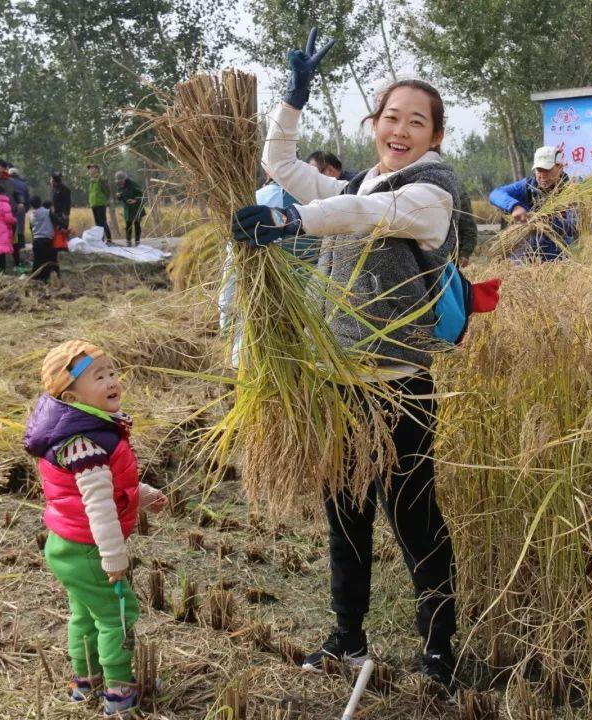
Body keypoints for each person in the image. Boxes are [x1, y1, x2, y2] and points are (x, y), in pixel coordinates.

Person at [231, 29, 459, 691]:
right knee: (346, 515)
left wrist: (292, 224)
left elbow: (362, 211)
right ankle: (347, 636)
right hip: (339, 386)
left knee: (416, 520)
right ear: (374, 124)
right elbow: (281, 165)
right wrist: (293, 100)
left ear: (435, 136)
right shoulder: (357, 178)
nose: (401, 129)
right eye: (391, 117)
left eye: (417, 121)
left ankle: (440, 649)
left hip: (400, 388)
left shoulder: (431, 192)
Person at [23, 341, 167, 715]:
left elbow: (107, 489)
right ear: (71, 396)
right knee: (117, 615)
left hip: (66, 543)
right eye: (98, 376)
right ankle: (119, 690)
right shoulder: (86, 445)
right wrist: (113, 557)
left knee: (84, 614)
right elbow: (98, 506)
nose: (110, 381)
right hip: (89, 547)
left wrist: (143, 495)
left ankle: (83, 682)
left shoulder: (80, 432)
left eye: (111, 373)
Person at [488, 146, 578, 262]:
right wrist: (514, 206)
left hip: (558, 260)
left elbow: (575, 226)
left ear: (560, 167)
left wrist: (545, 221)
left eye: (547, 170)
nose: (543, 175)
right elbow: (495, 194)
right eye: (539, 170)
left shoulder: (572, 190)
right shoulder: (528, 186)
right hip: (525, 259)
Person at [114, 171, 145, 247]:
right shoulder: (119, 186)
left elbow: (142, 194)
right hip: (127, 209)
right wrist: (119, 196)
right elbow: (120, 197)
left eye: (121, 180)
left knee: (137, 224)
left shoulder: (133, 184)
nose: (121, 182)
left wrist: (135, 200)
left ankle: (137, 241)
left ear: (125, 179)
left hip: (136, 207)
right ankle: (128, 241)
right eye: (119, 181)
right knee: (128, 225)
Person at [29, 196, 56, 283]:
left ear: (32, 206)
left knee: (37, 261)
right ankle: (45, 280)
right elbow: (57, 222)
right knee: (47, 261)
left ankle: (35, 279)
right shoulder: (47, 212)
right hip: (47, 240)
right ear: (40, 202)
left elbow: (31, 228)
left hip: (36, 241)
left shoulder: (31, 215)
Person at [9, 166, 30, 269]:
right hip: (20, 212)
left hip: (9, 211)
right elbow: (27, 200)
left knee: (10, 233)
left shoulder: (7, 182)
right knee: (19, 232)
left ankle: (11, 256)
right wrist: (25, 210)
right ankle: (19, 253)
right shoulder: (23, 185)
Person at [87, 165, 112, 243]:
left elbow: (108, 191)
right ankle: (101, 240)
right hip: (93, 204)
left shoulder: (101, 179)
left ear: (97, 170)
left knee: (103, 222)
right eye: (89, 169)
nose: (90, 170)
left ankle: (108, 239)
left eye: (92, 168)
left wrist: (104, 200)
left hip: (101, 203)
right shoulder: (91, 181)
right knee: (97, 223)